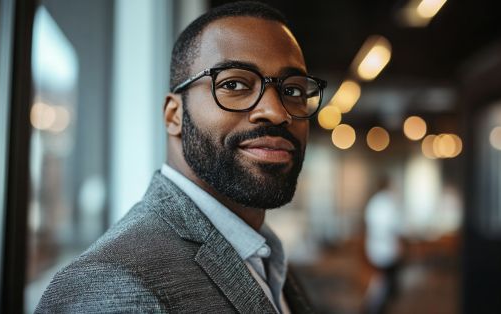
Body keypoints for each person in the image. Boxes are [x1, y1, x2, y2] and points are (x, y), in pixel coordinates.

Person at [36, 1, 327, 313]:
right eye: (234, 84)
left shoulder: (265, 255)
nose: (275, 111)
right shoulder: (112, 285)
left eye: (293, 91)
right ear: (174, 115)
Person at [364, 176, 403, 314]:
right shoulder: (388, 202)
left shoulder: (374, 202)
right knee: (384, 280)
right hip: (387, 249)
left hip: (373, 248)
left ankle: (373, 306)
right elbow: (394, 226)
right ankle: (375, 307)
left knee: (379, 278)